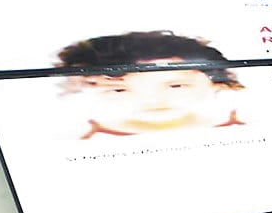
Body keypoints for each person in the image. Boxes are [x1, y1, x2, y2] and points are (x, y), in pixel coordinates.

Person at [55, 31, 245, 139]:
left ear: (217, 83)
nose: (153, 101)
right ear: (83, 88)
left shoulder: (242, 125)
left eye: (176, 86)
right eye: (119, 90)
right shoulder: (81, 138)